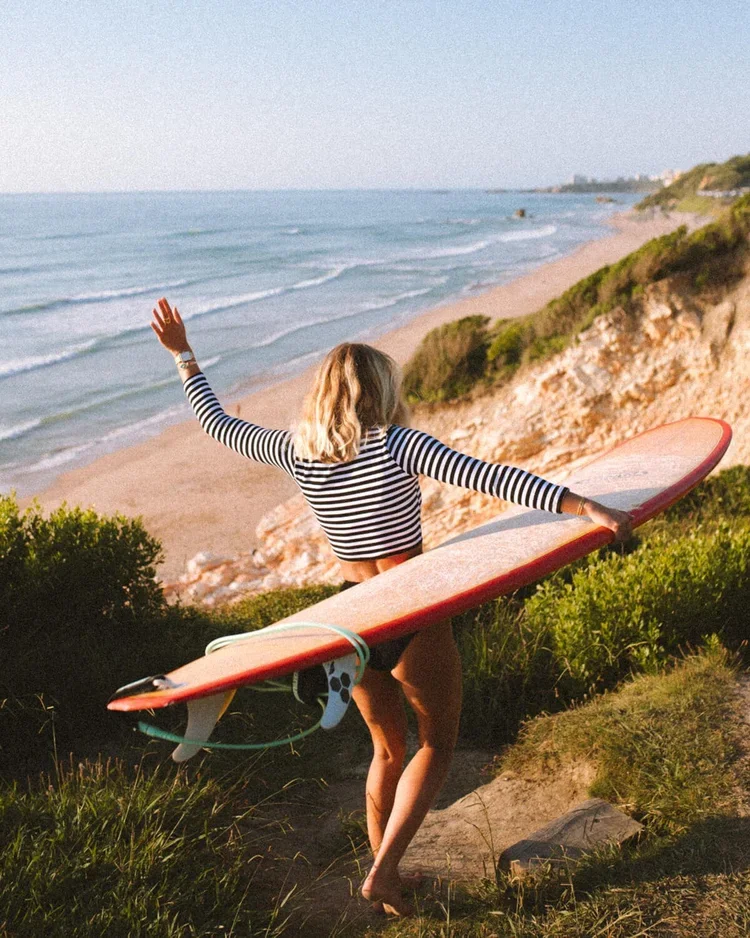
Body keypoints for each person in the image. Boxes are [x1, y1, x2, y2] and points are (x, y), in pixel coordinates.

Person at [150, 297, 632, 915]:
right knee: (437, 741)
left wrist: (183, 355)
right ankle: (382, 875)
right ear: (380, 390)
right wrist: (585, 506)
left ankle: (389, 880)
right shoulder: (397, 443)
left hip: (352, 619)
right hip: (411, 609)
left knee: (386, 750)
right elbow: (493, 477)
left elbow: (218, 424)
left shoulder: (300, 451)